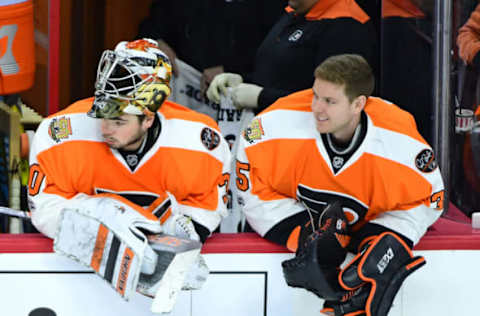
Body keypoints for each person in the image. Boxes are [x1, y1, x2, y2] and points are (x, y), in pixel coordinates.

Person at [235, 54, 444, 315]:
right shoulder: (274, 125)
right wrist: (302, 234)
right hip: (282, 257)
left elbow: (429, 200)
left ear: (358, 104)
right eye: (315, 96)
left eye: (330, 101)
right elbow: (249, 183)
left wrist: (383, 242)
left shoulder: (401, 144)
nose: (316, 108)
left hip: (359, 242)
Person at [27, 39, 231, 299]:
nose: (104, 129)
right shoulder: (60, 133)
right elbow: (44, 204)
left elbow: (208, 205)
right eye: (101, 115)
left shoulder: (200, 140)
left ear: (148, 118)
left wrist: (179, 236)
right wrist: (97, 230)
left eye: (118, 121)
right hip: (75, 278)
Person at [207, 0, 378, 114]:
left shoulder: (347, 26)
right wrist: (242, 80)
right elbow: (280, 74)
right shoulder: (294, 12)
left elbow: (333, 102)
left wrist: (261, 97)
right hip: (269, 128)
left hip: (308, 141)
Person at [137, 0, 286, 96]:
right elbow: (151, 24)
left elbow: (276, 48)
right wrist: (156, 41)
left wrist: (229, 69)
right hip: (184, 90)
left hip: (241, 93)